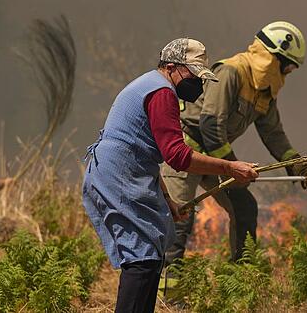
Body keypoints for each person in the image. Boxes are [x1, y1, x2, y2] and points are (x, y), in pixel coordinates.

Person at [82, 38, 259, 313]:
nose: (198, 85)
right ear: (172, 67)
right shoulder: (162, 93)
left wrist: (167, 199)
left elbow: (149, 154)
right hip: (119, 176)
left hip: (123, 172)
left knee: (149, 256)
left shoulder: (152, 85)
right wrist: (230, 168)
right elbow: (177, 156)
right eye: (194, 75)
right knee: (141, 259)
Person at [161, 22, 307, 267]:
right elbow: (210, 125)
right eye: (287, 67)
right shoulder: (232, 71)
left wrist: (302, 169)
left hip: (216, 156)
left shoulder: (264, 90)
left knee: (244, 207)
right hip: (187, 151)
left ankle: (242, 280)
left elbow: (274, 135)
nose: (287, 74)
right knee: (179, 216)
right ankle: (167, 294)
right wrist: (232, 167)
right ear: (273, 58)